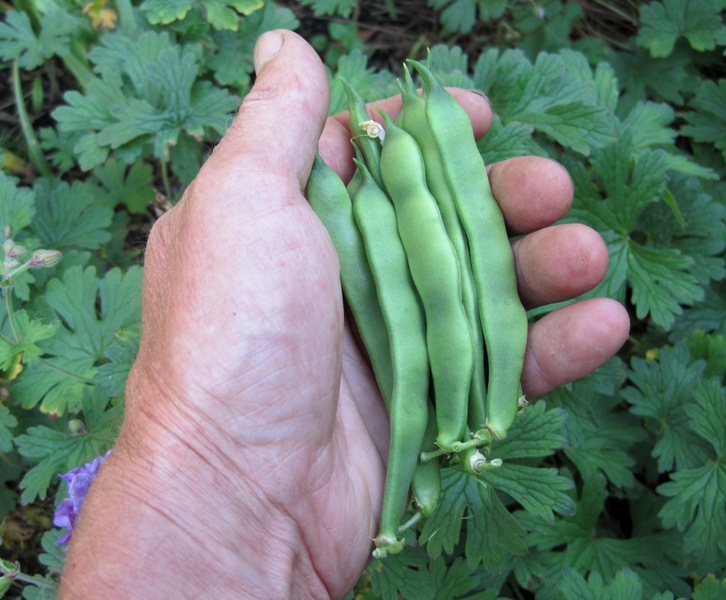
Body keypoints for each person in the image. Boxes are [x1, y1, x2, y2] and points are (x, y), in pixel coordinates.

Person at [57, 30, 629, 599]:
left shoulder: (397, 161)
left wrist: (215, 500)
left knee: (464, 253)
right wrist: (213, 472)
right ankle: (467, 428)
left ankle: (462, 430)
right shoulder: (361, 190)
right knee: (433, 268)